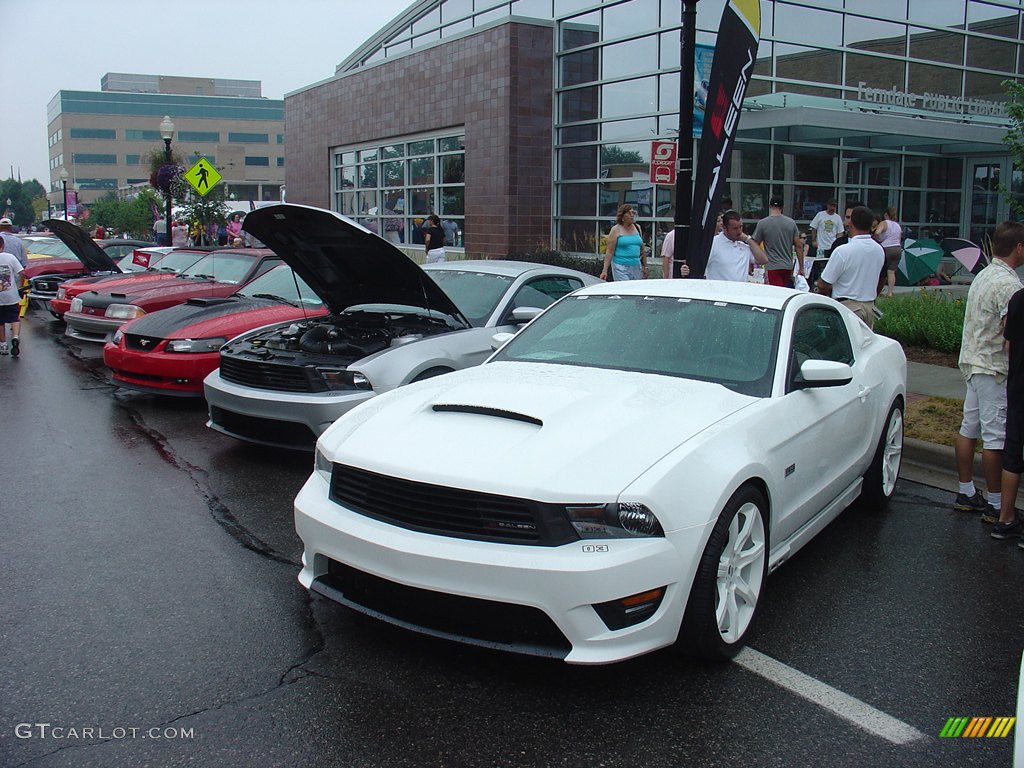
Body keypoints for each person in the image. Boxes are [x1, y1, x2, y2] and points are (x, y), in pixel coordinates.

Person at [952, 221, 1024, 530]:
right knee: (995, 439)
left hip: (972, 361)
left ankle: (966, 490)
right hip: (995, 368)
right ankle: (996, 503)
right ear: (1018, 248)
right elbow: (1014, 334)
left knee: (969, 427)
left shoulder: (983, 275)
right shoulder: (1010, 285)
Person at [816, 205, 885, 328]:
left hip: (848, 307)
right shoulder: (879, 250)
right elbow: (881, 279)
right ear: (871, 225)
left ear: (851, 222)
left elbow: (823, 284)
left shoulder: (843, 251)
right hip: (869, 306)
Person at [995, 286, 1024, 543]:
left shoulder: (1018, 299)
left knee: (1013, 454)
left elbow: (1009, 340)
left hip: (1018, 386)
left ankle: (1005, 519)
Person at [753, 195, 803, 287]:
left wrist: (753, 263)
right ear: (782, 207)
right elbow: (799, 246)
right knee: (784, 291)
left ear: (770, 206)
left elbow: (755, 244)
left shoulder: (763, 223)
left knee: (775, 294)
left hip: (772, 266)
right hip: (787, 266)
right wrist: (801, 268)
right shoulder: (791, 223)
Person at [705, 210, 767, 282]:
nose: (739, 231)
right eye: (735, 228)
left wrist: (748, 239)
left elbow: (763, 260)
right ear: (724, 227)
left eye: (741, 227)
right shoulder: (713, 244)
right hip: (719, 291)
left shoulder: (744, 245)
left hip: (741, 291)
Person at [601, 204, 647, 282]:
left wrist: (645, 267)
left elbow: (642, 250)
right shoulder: (615, 230)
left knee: (635, 290)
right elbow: (609, 252)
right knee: (625, 289)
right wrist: (604, 270)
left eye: (633, 213)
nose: (632, 215)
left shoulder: (637, 228)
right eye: (629, 213)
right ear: (622, 216)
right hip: (620, 266)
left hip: (636, 265)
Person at [0, 241, 25, 356]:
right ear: (3, 246)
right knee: (15, 318)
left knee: (0, 322)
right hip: (11, 296)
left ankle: (3, 345)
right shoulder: (10, 257)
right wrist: (20, 285)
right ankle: (15, 336)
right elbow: (21, 272)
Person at [874, 207, 903, 298]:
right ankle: (890, 293)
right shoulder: (898, 226)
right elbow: (899, 238)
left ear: (886, 215)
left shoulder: (884, 223)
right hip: (897, 249)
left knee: (880, 271)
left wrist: (880, 240)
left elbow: (877, 233)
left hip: (886, 248)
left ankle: (876, 290)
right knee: (891, 272)